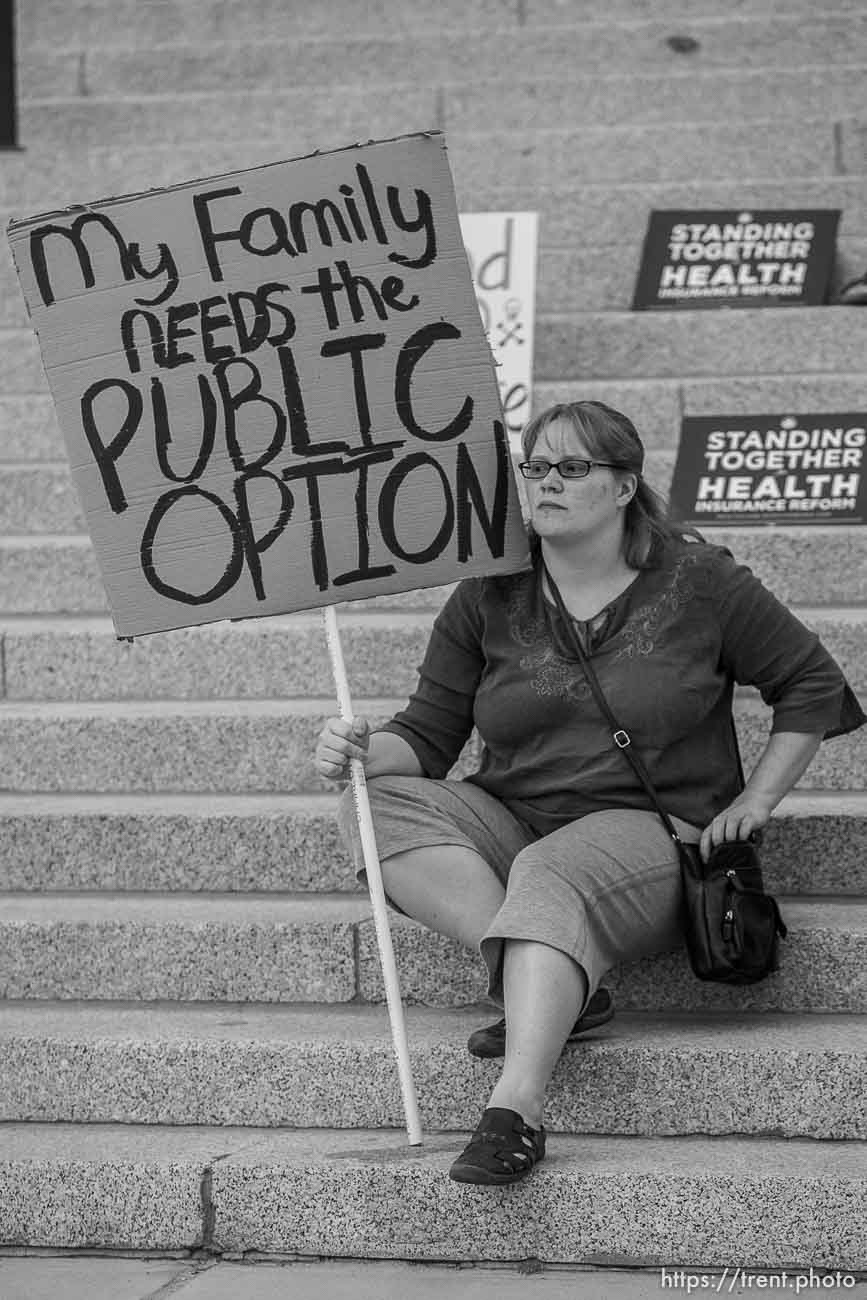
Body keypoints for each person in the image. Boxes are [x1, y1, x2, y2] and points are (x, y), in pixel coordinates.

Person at [314, 400, 865, 1187]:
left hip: (653, 831)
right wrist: (360, 752)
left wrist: (755, 804)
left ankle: (514, 1111)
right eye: (534, 466)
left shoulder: (700, 581)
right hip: (515, 816)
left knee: (552, 872)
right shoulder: (488, 592)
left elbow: (810, 683)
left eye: (571, 468)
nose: (545, 482)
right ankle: (545, 981)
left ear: (621, 486)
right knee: (375, 808)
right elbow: (426, 739)